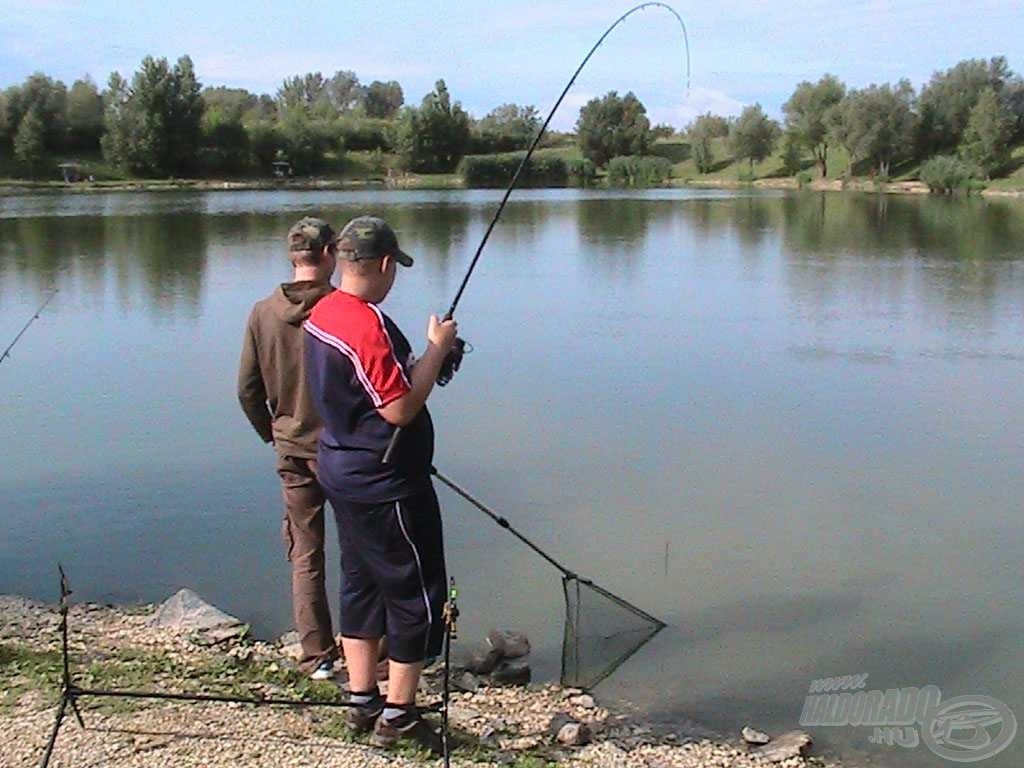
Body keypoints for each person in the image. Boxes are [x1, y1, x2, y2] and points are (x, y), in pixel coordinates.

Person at [303, 215, 457, 753]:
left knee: (362, 583)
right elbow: (397, 408)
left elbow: (375, 386)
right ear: (385, 264)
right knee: (415, 591)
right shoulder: (364, 324)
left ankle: (362, 699)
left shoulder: (325, 311)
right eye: (397, 268)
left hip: (342, 469)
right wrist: (437, 347)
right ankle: (399, 714)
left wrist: (426, 364)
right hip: (384, 482)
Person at [237, 216, 340, 680]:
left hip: (291, 449)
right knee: (363, 552)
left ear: (293, 257)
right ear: (330, 254)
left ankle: (317, 656)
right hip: (345, 450)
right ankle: (374, 654)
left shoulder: (262, 312)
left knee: (305, 552)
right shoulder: (346, 310)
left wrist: (274, 432)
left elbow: (246, 390)